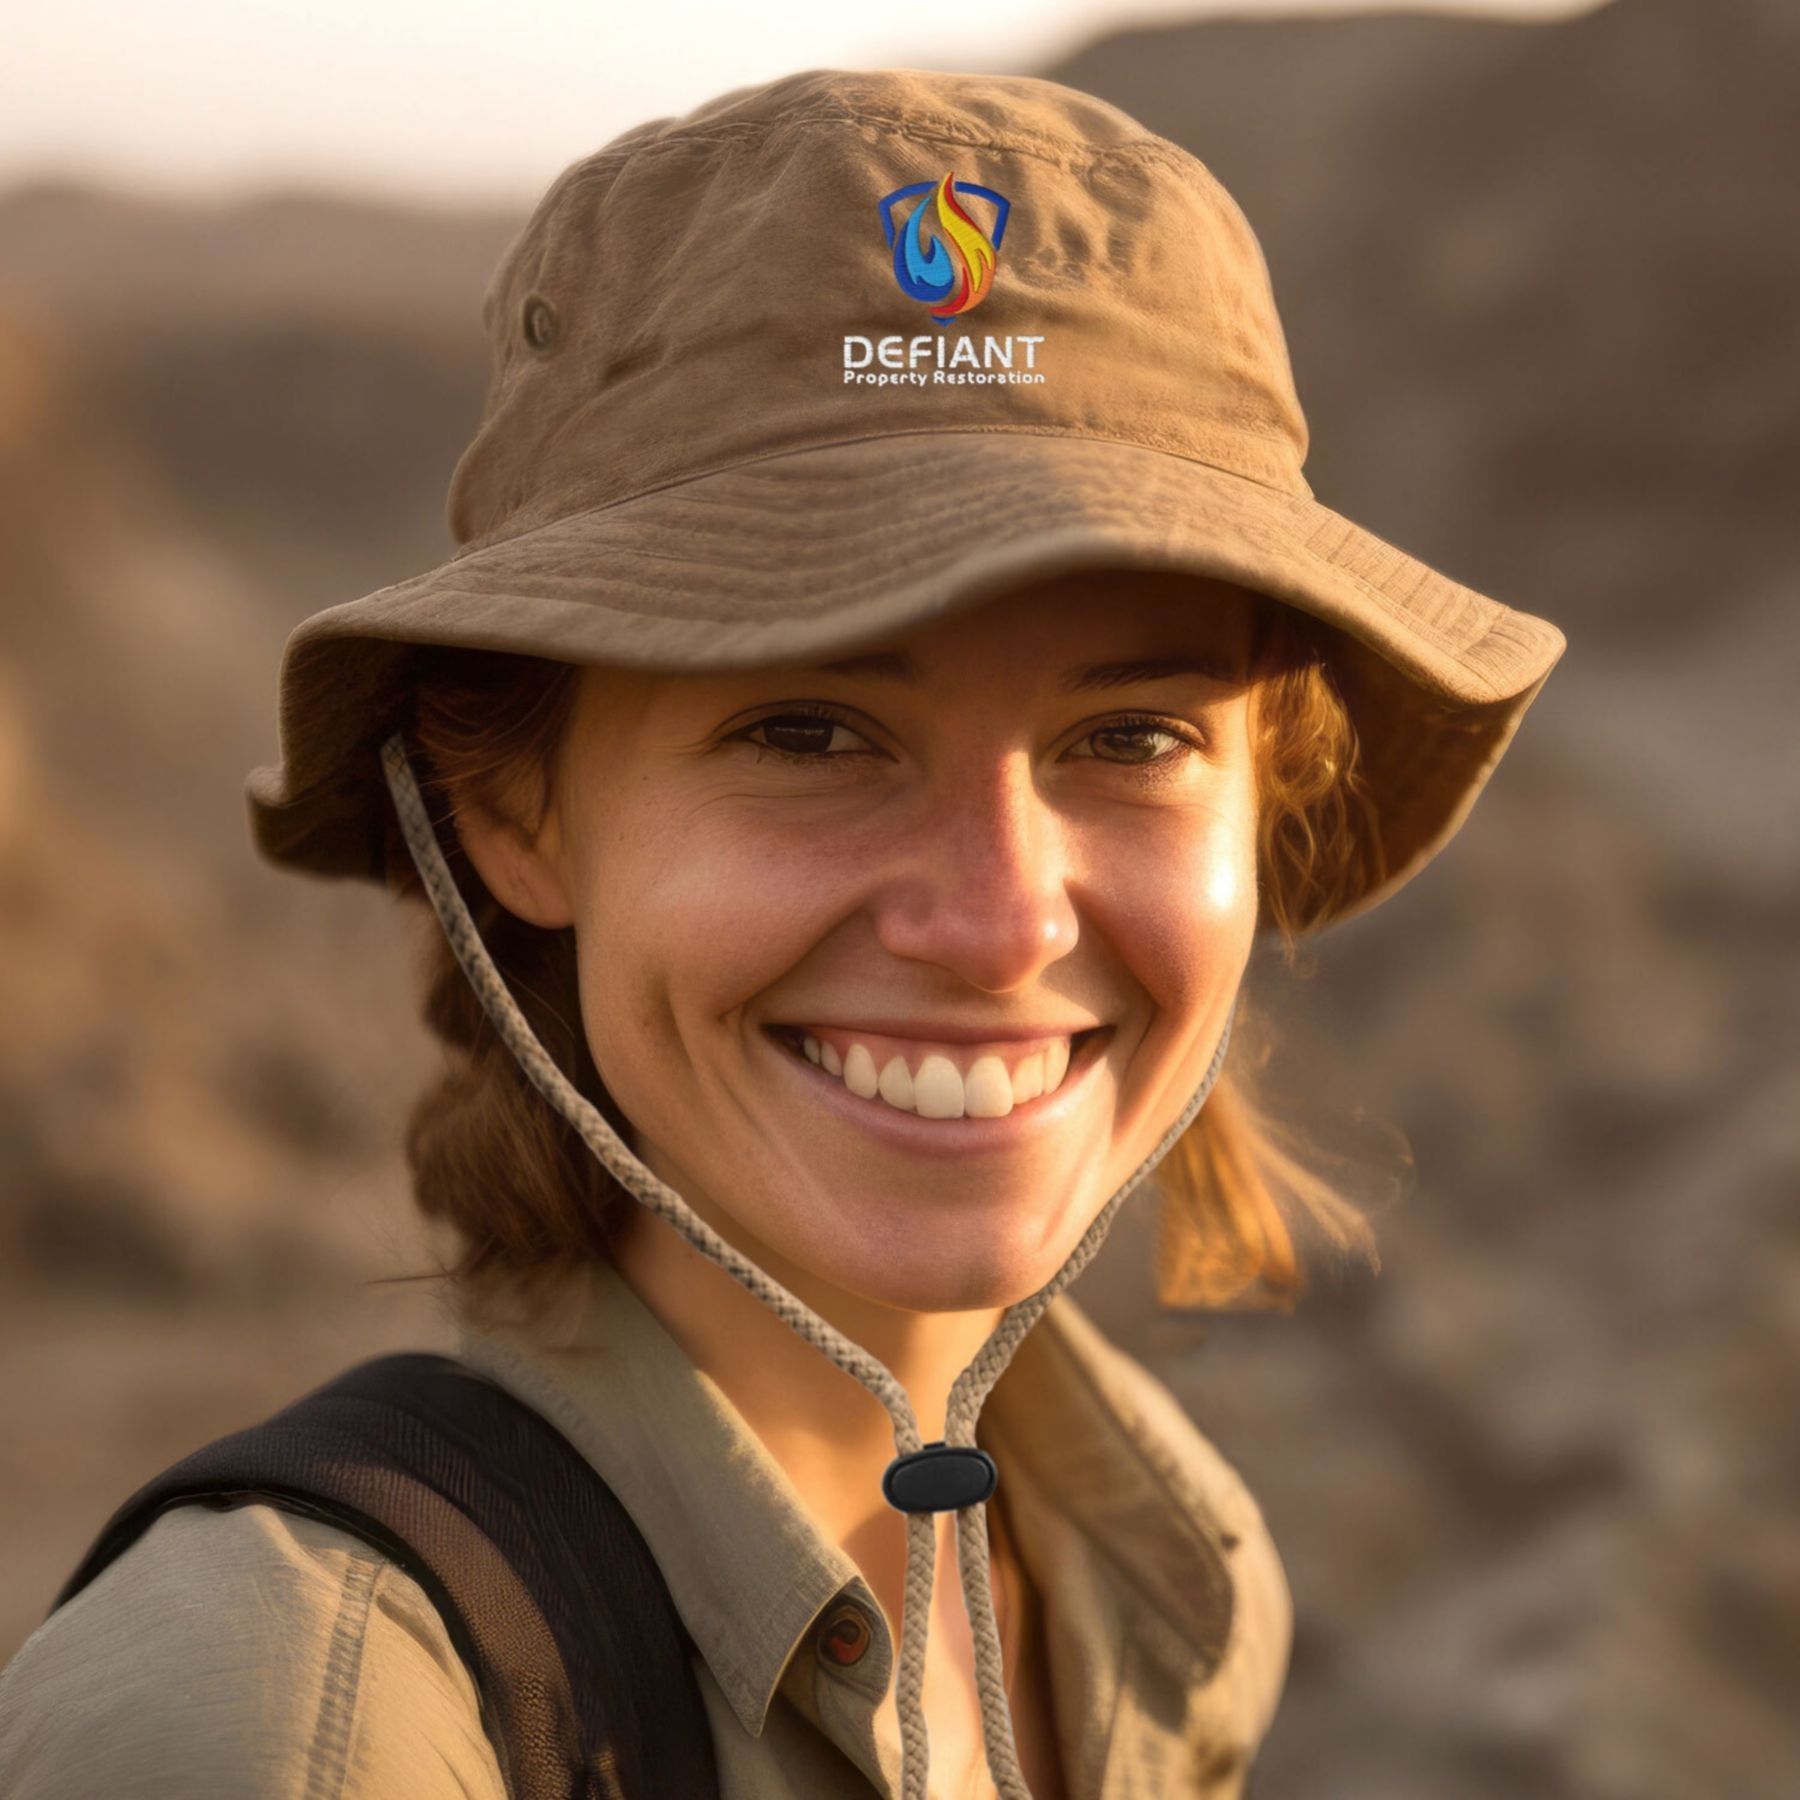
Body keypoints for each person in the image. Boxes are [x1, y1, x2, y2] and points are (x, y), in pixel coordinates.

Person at [0, 65, 1565, 1800]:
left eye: (1131, 739)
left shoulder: (1166, 1586)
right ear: (512, 814)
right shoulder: (296, 1725)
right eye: (808, 733)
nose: (997, 917)